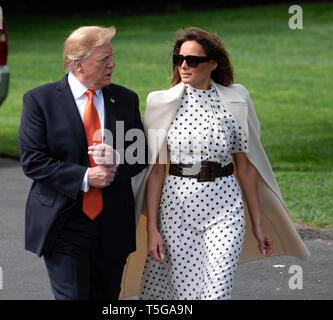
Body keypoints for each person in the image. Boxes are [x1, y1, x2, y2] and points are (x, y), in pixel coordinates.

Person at [120, 27, 310, 300]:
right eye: (179, 58)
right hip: (176, 211)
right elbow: (156, 171)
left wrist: (257, 223)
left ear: (212, 64)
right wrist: (152, 230)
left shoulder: (237, 99)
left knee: (217, 292)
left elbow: (245, 166)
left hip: (226, 209)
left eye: (193, 60)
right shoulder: (159, 102)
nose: (184, 65)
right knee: (187, 295)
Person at [18, 26, 147, 300]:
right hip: (64, 222)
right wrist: (86, 177)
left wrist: (118, 159)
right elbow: (33, 161)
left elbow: (141, 155)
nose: (113, 64)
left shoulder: (125, 99)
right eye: (104, 60)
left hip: (113, 224)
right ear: (78, 64)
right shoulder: (40, 101)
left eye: (111, 57)